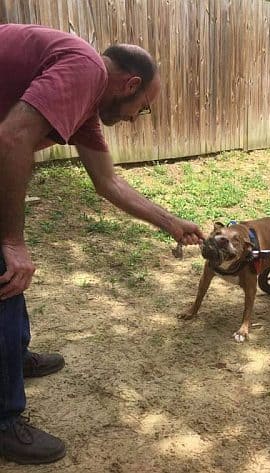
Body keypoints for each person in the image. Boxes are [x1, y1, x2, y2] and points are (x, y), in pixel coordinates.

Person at [0, 23, 204, 465]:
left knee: (9, 273)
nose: (134, 120)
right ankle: (3, 420)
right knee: (6, 272)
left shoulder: (87, 103)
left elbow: (108, 183)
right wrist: (13, 239)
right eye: (142, 109)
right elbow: (13, 136)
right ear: (130, 85)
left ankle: (16, 355)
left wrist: (172, 223)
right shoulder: (85, 68)